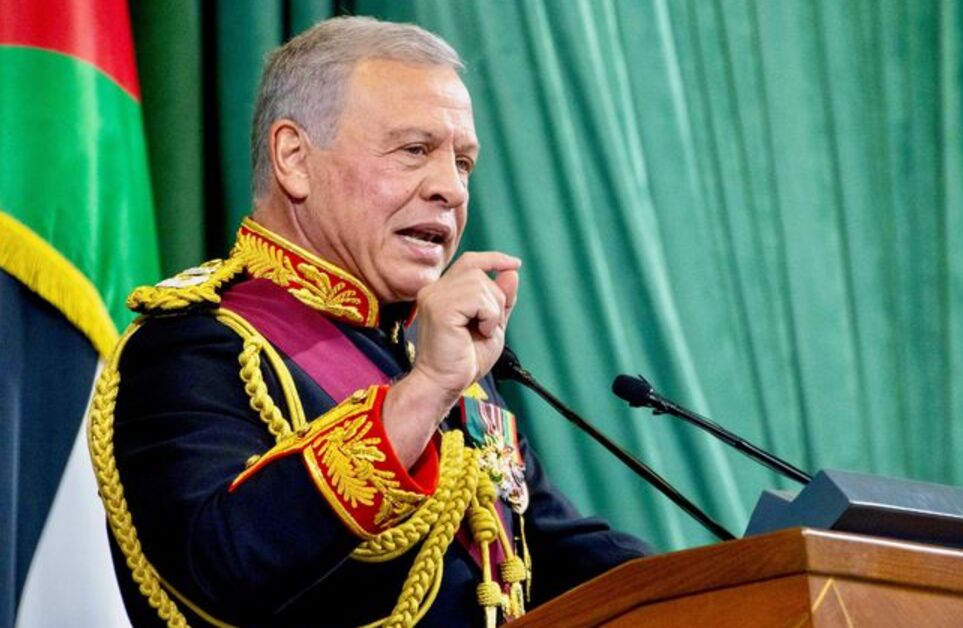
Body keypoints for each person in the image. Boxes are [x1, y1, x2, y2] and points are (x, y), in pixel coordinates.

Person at [89, 16, 650, 627]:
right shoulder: (191, 344)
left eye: (463, 162)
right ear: (294, 158)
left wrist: (726, 582)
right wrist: (424, 393)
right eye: (415, 151)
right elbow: (220, 567)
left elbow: (559, 554)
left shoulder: (429, 353)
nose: (453, 189)